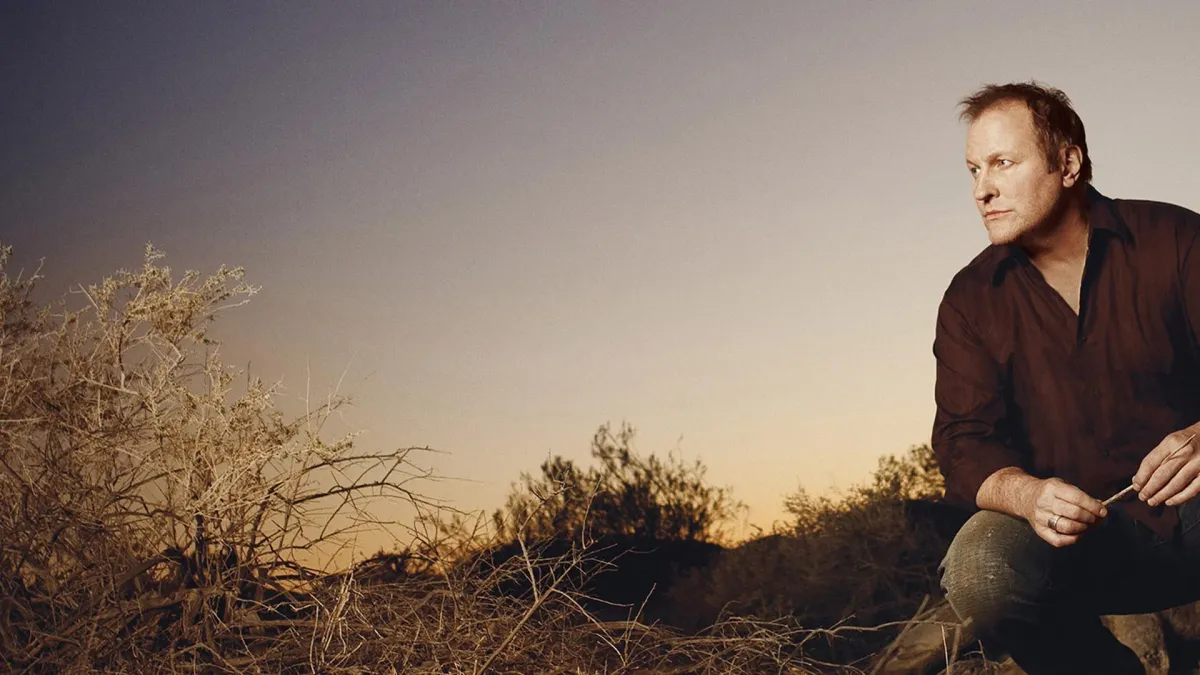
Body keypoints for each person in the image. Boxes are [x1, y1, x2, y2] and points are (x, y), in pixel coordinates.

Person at [932, 81, 1200, 674]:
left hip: (1193, 513)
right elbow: (962, 442)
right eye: (974, 169)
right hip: (1077, 547)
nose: (981, 189)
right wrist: (1026, 495)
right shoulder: (969, 300)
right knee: (979, 570)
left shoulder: (1175, 238)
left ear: (1069, 163)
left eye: (1003, 163)